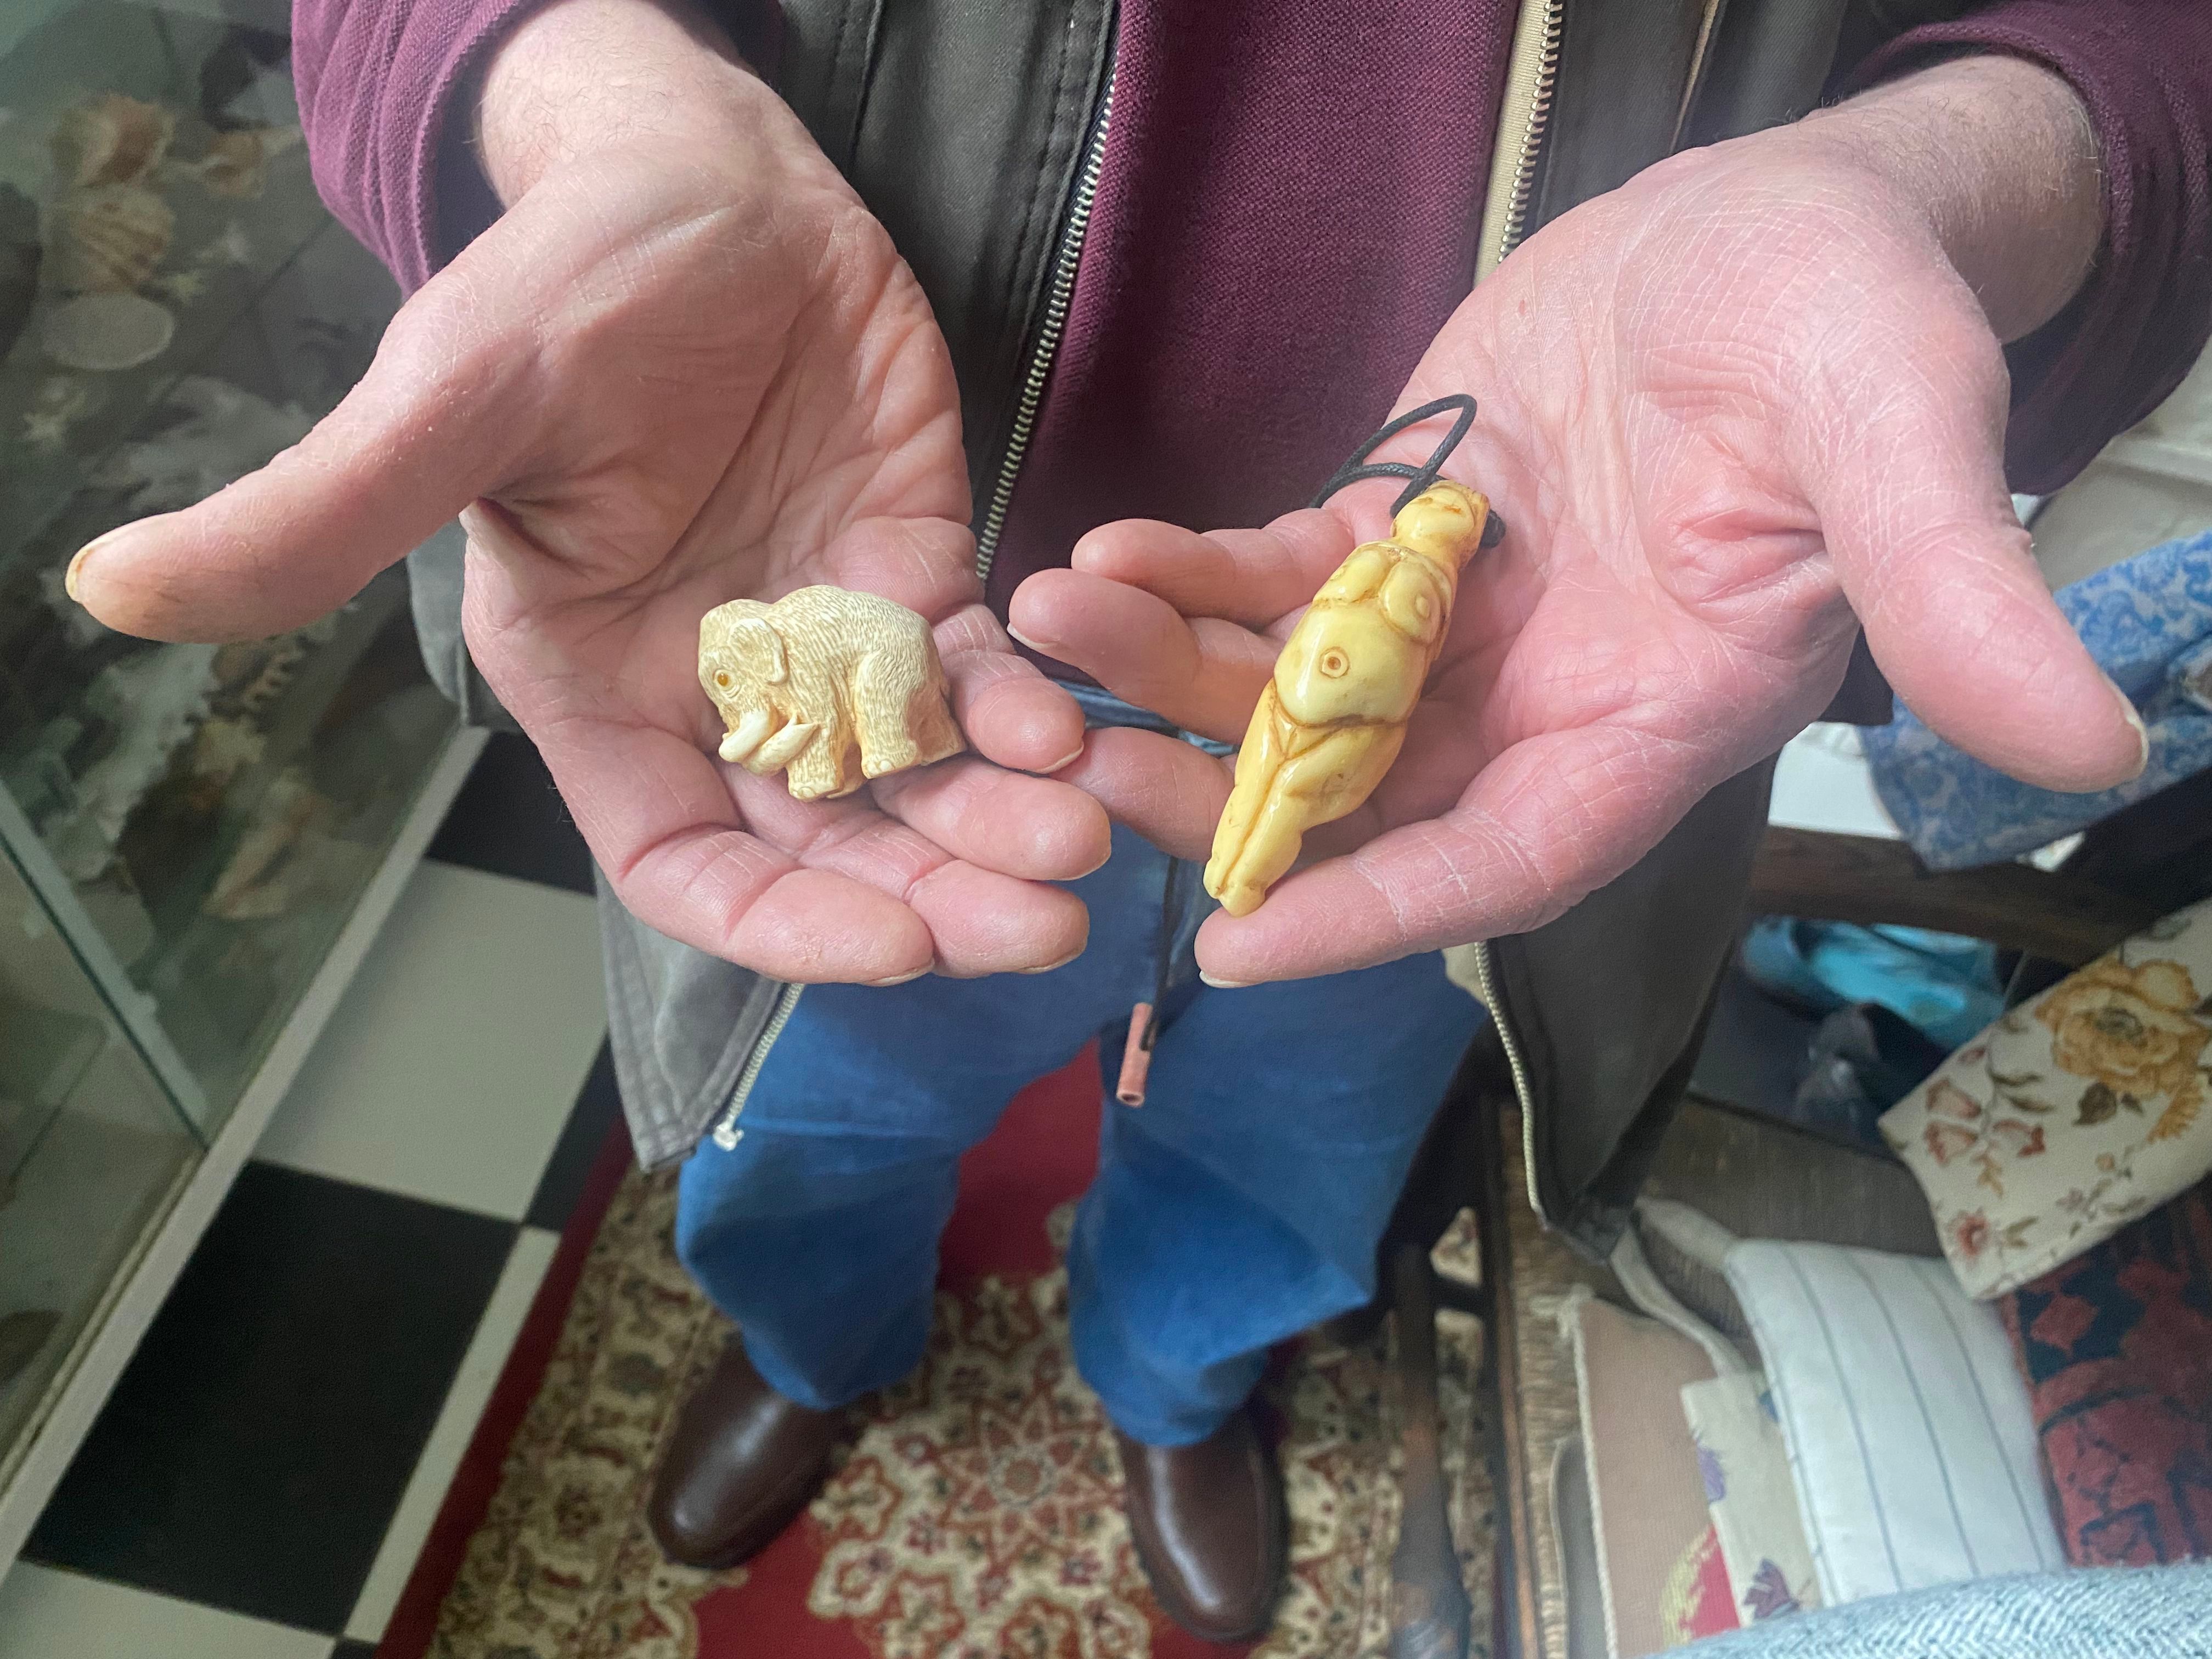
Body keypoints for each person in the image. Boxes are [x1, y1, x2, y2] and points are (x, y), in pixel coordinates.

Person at [64, 0, 2212, 1640]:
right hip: (858, 532)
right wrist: (587, 107)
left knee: (1297, 1128)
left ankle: (1179, 1381)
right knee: (802, 1117)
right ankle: (820, 1344)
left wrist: (1956, 168)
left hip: (1526, 627)